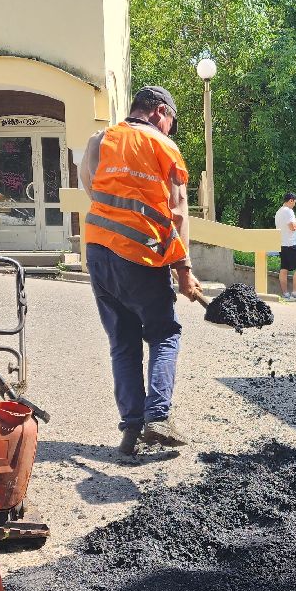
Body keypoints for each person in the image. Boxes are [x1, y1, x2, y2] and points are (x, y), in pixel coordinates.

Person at [79, 86, 202, 459]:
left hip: (98, 252)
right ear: (160, 111)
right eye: (170, 123)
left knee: (123, 341)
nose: (169, 130)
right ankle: (158, 418)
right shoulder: (164, 147)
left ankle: (131, 430)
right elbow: (177, 213)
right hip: (142, 256)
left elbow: (92, 188)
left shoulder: (100, 140)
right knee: (165, 334)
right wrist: (184, 270)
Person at [274, 193, 296, 300]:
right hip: (290, 244)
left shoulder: (279, 211)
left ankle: (285, 294)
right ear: (291, 200)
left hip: (281, 244)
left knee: (284, 269)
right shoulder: (288, 211)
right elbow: (292, 227)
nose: (294, 205)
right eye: (294, 202)